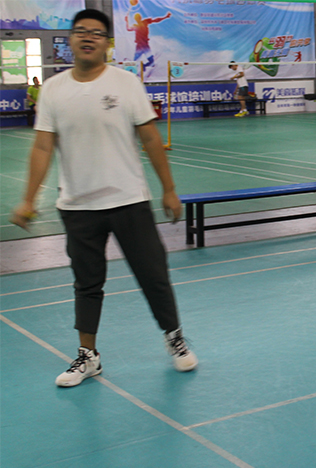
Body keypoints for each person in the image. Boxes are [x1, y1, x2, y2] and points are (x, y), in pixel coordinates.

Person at [11, 9, 197, 388]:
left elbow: (150, 138)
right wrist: (28, 199)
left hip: (129, 201)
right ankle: (88, 356)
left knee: (153, 275)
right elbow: (43, 147)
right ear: (70, 39)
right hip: (78, 206)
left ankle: (174, 337)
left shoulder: (126, 83)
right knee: (87, 284)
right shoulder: (53, 89)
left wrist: (169, 188)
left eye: (96, 33)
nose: (88, 37)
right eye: (81, 31)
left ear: (107, 43)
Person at [125, 10, 172, 77]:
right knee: (137, 62)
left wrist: (165, 17)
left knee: (150, 63)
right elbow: (128, 29)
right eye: (137, 18)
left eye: (138, 18)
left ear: (140, 18)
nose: (138, 19)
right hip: (141, 46)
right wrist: (126, 21)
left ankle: (143, 66)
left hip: (144, 46)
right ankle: (133, 72)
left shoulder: (144, 22)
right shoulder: (137, 25)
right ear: (136, 19)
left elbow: (156, 20)